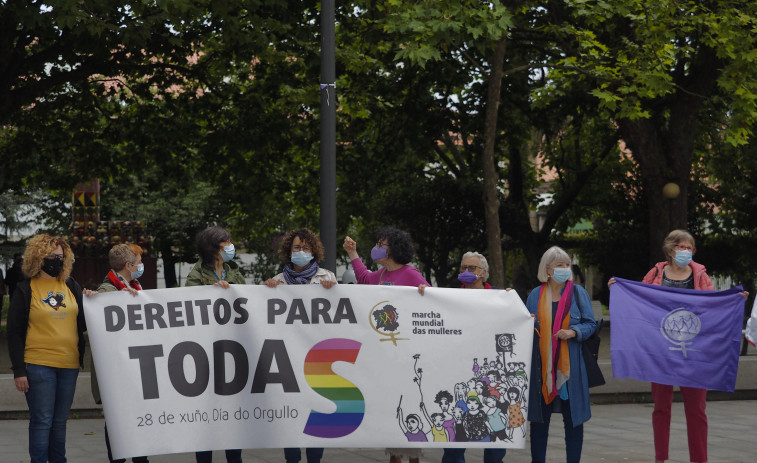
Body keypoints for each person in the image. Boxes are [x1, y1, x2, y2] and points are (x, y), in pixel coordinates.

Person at [609, 229, 747, 463]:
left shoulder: (701, 276)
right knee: (661, 408)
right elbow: (640, 300)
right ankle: (660, 458)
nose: (685, 251)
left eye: (689, 248)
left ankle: (699, 459)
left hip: (695, 352)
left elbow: (712, 306)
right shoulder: (655, 273)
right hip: (660, 352)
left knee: (697, 410)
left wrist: (733, 300)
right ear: (670, 249)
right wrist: (620, 288)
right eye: (680, 247)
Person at [343, 227, 428, 463]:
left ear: (395, 249)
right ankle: (395, 454)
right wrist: (353, 253)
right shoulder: (379, 276)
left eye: (382, 244)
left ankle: (412, 455)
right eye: (377, 242)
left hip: (407, 354)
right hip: (385, 355)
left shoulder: (411, 274)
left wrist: (425, 292)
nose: (377, 247)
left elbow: (432, 301)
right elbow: (362, 277)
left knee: (408, 404)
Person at [7, 234, 86, 463]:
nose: (57, 261)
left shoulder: (71, 285)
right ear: (38, 258)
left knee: (60, 422)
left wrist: (94, 297)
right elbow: (14, 332)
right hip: (38, 366)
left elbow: (85, 319)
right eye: (52, 257)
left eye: (61, 257)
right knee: (43, 420)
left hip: (69, 365)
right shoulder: (25, 289)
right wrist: (19, 371)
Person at [263, 228, 335, 463]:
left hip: (318, 358)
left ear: (313, 251)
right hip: (290, 358)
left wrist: (333, 293)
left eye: (306, 247)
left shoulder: (327, 278)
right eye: (297, 247)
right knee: (291, 416)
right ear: (289, 250)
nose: (301, 251)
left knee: (316, 413)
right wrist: (266, 290)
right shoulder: (279, 280)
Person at [526, 246, 596, 463]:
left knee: (574, 422)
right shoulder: (535, 295)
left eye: (567, 265)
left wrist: (574, 331)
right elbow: (526, 328)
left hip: (571, 369)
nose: (565, 269)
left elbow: (591, 324)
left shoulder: (578, 293)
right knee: (539, 424)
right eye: (559, 265)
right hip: (542, 370)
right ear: (547, 270)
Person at [84, 244, 148, 463]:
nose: (141, 266)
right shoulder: (107, 293)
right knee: (116, 420)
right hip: (117, 373)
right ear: (129, 266)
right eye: (139, 262)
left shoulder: (135, 289)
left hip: (133, 369)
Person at [187, 226, 245, 463]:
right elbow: (189, 302)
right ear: (213, 247)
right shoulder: (196, 274)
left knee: (233, 414)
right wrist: (212, 292)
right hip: (207, 352)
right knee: (207, 415)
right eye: (226, 242)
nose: (231, 245)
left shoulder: (233, 270)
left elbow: (248, 297)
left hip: (233, 349)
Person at [443, 251, 507, 463]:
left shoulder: (501, 298)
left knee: (495, 431)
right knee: (457, 429)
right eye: (463, 268)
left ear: (484, 273)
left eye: (472, 268)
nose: (466, 272)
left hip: (490, 375)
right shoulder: (449, 298)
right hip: (458, 371)